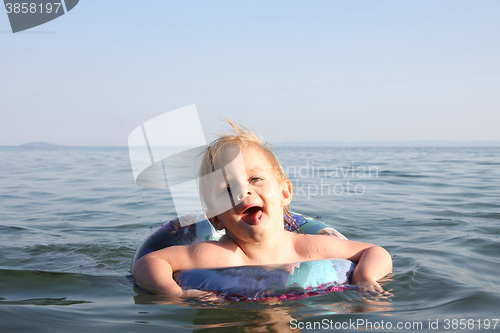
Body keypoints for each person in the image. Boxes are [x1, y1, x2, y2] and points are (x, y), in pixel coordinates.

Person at [133, 121, 392, 296]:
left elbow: (374, 251)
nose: (243, 192)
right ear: (216, 219)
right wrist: (176, 295)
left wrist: (365, 278)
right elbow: (151, 262)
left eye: (255, 179)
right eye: (227, 190)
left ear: (284, 193)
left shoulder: (308, 247)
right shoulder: (218, 255)